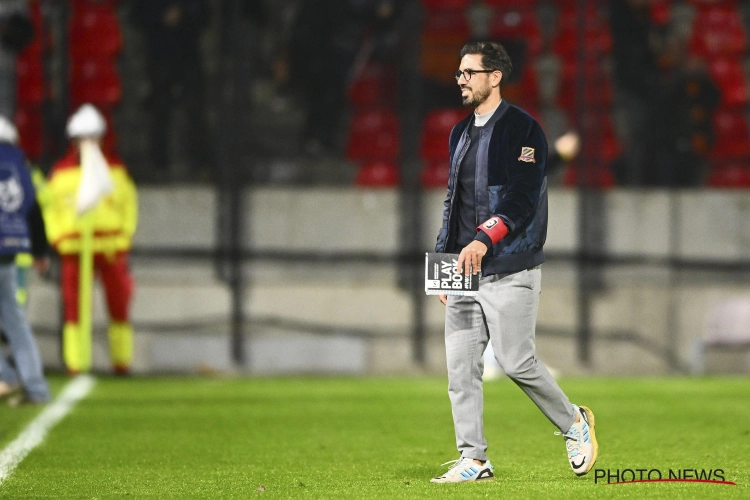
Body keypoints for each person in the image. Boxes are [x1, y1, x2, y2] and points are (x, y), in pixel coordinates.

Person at [430, 41, 598, 483]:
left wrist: (486, 239)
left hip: (512, 266)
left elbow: (523, 201)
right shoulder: (459, 132)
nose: (461, 79)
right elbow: (455, 202)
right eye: (459, 73)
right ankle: (474, 459)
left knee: (517, 362)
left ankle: (574, 423)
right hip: (465, 269)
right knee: (460, 370)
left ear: (495, 76)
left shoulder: (524, 129)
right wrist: (445, 265)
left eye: (469, 72)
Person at [43, 104, 137, 375]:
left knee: (119, 305)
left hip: (111, 249)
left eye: (93, 136)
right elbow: (50, 209)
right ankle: (76, 362)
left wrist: (124, 236)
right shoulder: (60, 175)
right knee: (75, 308)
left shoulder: (116, 172)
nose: (88, 143)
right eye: (83, 137)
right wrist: (58, 238)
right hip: (74, 249)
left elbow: (129, 206)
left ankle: (122, 361)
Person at [129, 0, 213, 178]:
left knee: (195, 109)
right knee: (160, 109)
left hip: (188, 53)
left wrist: (183, 15)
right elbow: (136, 15)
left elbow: (205, 15)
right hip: (159, 53)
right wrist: (160, 16)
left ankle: (200, 163)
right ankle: (159, 163)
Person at [0, 116, 50, 405]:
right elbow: (33, 209)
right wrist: (40, 252)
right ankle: (37, 388)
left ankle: (5, 376)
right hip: (10, 250)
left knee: (13, 319)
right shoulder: (20, 165)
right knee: (15, 320)